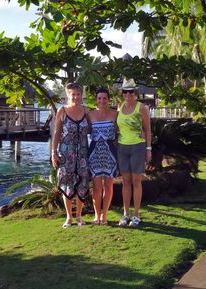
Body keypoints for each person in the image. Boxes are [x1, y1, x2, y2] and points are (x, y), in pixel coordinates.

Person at [51, 83, 90, 228]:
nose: (75, 97)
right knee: (66, 183)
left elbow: (94, 128)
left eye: (78, 94)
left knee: (83, 184)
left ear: (82, 95)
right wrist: (53, 152)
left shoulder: (86, 111)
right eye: (72, 94)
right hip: (66, 154)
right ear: (67, 95)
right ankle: (68, 217)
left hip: (83, 155)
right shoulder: (62, 111)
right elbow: (56, 133)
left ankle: (79, 216)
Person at [116, 78, 152, 228]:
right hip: (122, 148)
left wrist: (149, 149)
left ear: (135, 92)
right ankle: (125, 214)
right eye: (125, 91)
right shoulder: (120, 107)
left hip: (138, 147)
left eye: (131, 91)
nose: (128, 94)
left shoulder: (141, 108)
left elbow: (148, 130)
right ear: (122, 93)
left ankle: (136, 215)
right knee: (125, 182)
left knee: (136, 181)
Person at [88, 87, 118, 225]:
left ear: (108, 99)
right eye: (99, 98)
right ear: (96, 100)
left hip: (110, 152)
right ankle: (96, 215)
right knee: (96, 186)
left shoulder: (115, 114)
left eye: (104, 98)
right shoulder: (90, 114)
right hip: (94, 152)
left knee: (108, 185)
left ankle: (104, 215)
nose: (102, 101)